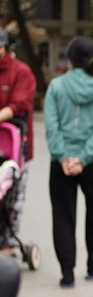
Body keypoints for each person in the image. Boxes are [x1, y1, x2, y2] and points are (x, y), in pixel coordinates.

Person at [44, 36, 93, 288]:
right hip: (92, 162)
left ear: (70, 60)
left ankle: (67, 273)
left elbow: (52, 127)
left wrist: (64, 157)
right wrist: (83, 158)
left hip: (60, 162)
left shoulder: (56, 87)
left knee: (63, 215)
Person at [0, 30, 36, 251]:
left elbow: (19, 105)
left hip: (13, 146)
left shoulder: (21, 72)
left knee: (12, 194)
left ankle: (8, 238)